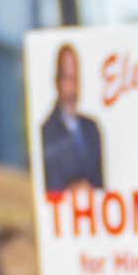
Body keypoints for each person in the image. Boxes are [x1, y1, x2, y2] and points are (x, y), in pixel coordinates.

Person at [39, 41, 103, 194]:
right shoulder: (46, 132)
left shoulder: (91, 128)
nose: (73, 86)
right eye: (68, 78)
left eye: (75, 78)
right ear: (57, 81)